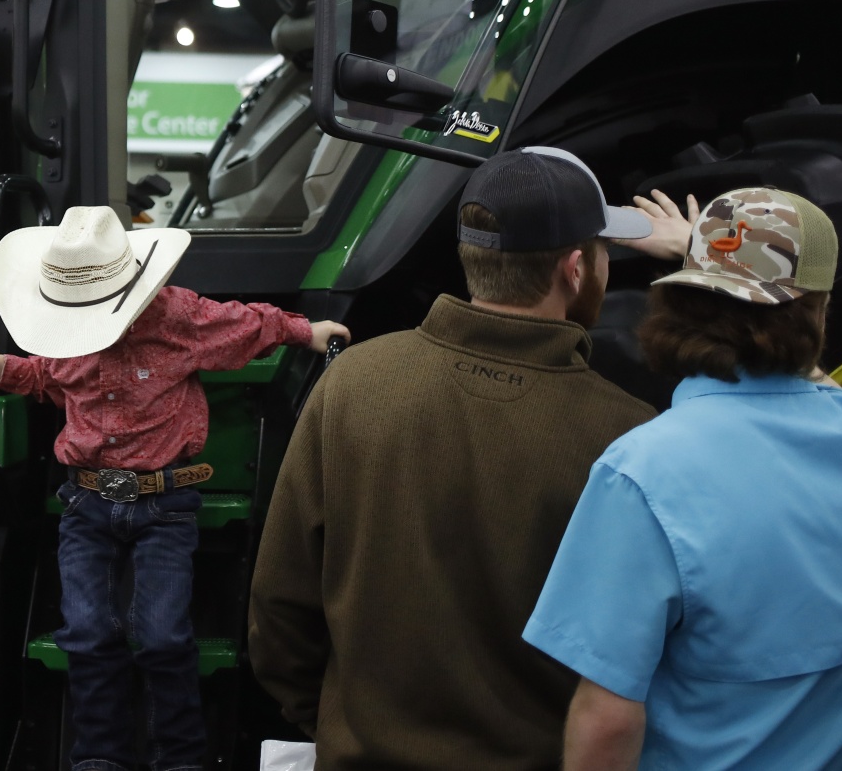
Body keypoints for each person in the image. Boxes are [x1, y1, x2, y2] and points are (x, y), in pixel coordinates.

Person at [247, 146, 664, 770]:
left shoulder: (354, 383)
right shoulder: (629, 435)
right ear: (575, 269)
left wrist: (343, 727)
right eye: (604, 251)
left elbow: (280, 613)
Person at [524, 187, 842, 770]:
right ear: (818, 308)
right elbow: (822, 385)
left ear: (684, 306)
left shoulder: (643, 471)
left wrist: (706, 255)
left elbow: (609, 717)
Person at [0, 204, 348, 771]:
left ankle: (181, 759)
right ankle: (98, 759)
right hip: (86, 502)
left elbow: (240, 325)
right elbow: (48, 375)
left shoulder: (176, 317)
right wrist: (0, 368)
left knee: (164, 636)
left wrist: (302, 330)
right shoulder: (62, 328)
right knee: (87, 634)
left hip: (165, 504)